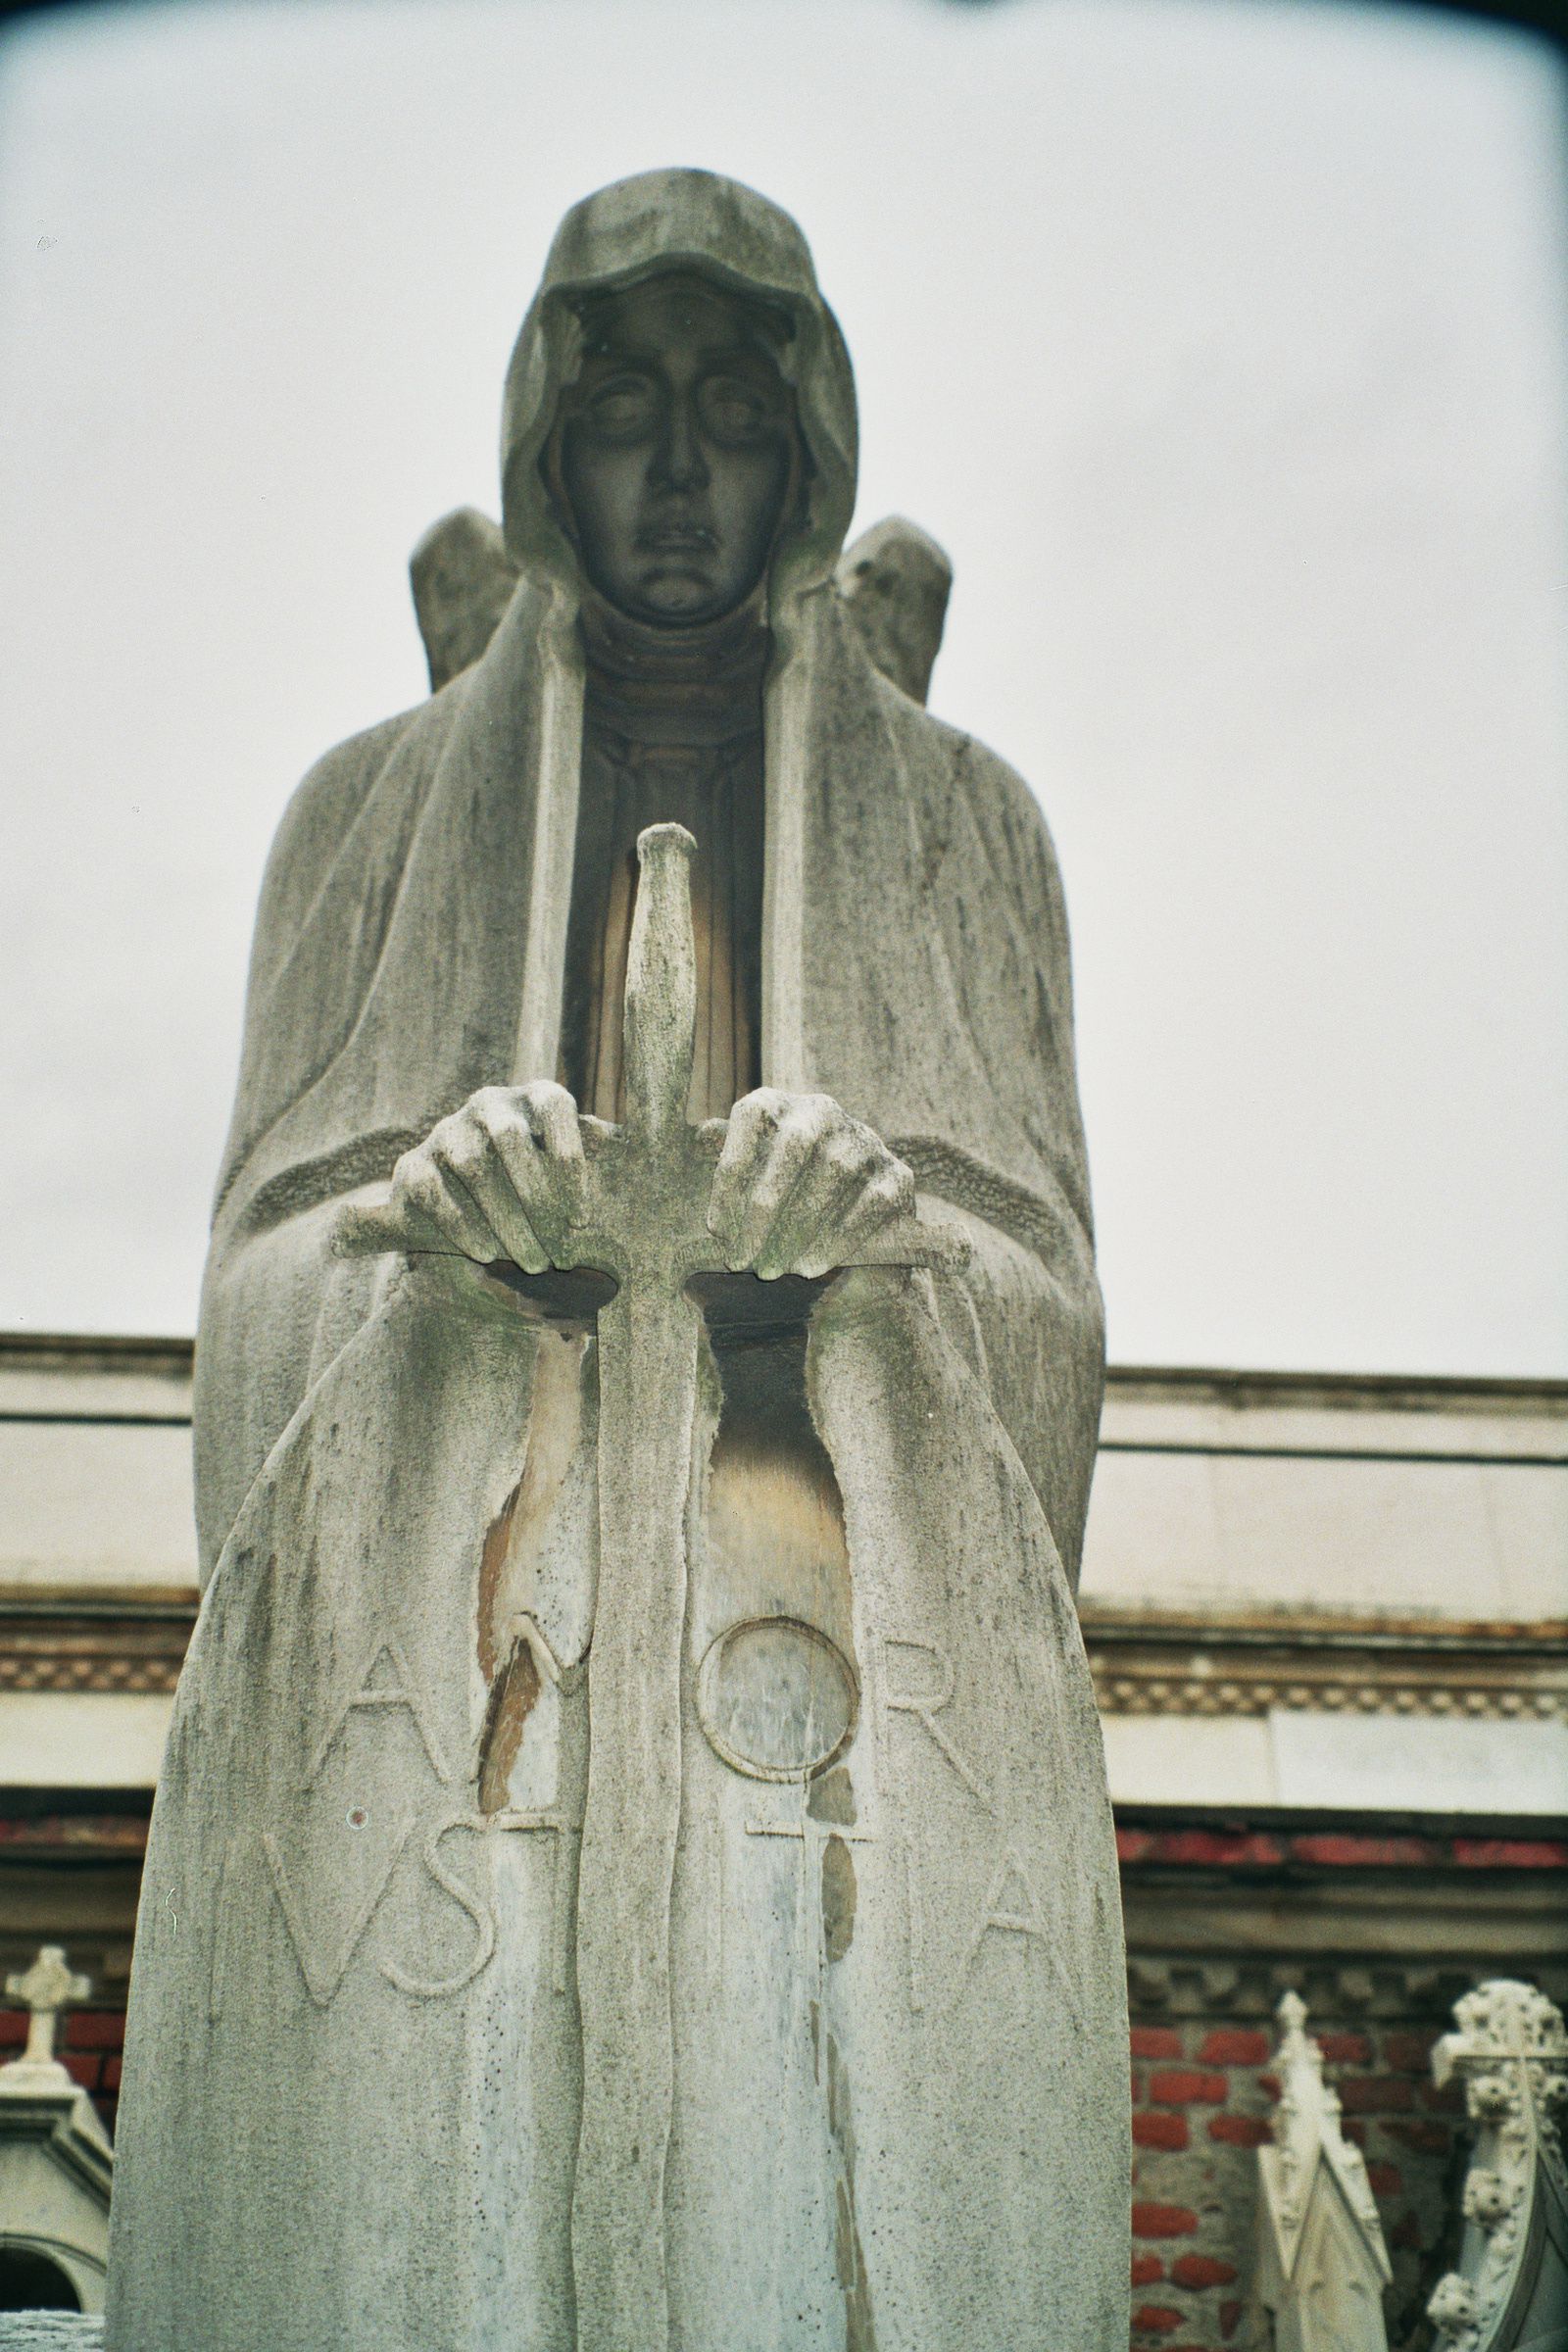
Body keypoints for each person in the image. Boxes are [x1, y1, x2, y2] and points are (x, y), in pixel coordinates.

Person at [108, 170, 1127, 2352]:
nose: (677, 473)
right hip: (484, 1665)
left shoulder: (968, 825)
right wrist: (425, 1243)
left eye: (733, 413)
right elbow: (259, 1274)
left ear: (806, 447)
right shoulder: (365, 810)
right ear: (545, 443)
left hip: (794, 1638)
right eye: (625, 410)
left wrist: (878, 1249)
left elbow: (1042, 1294)